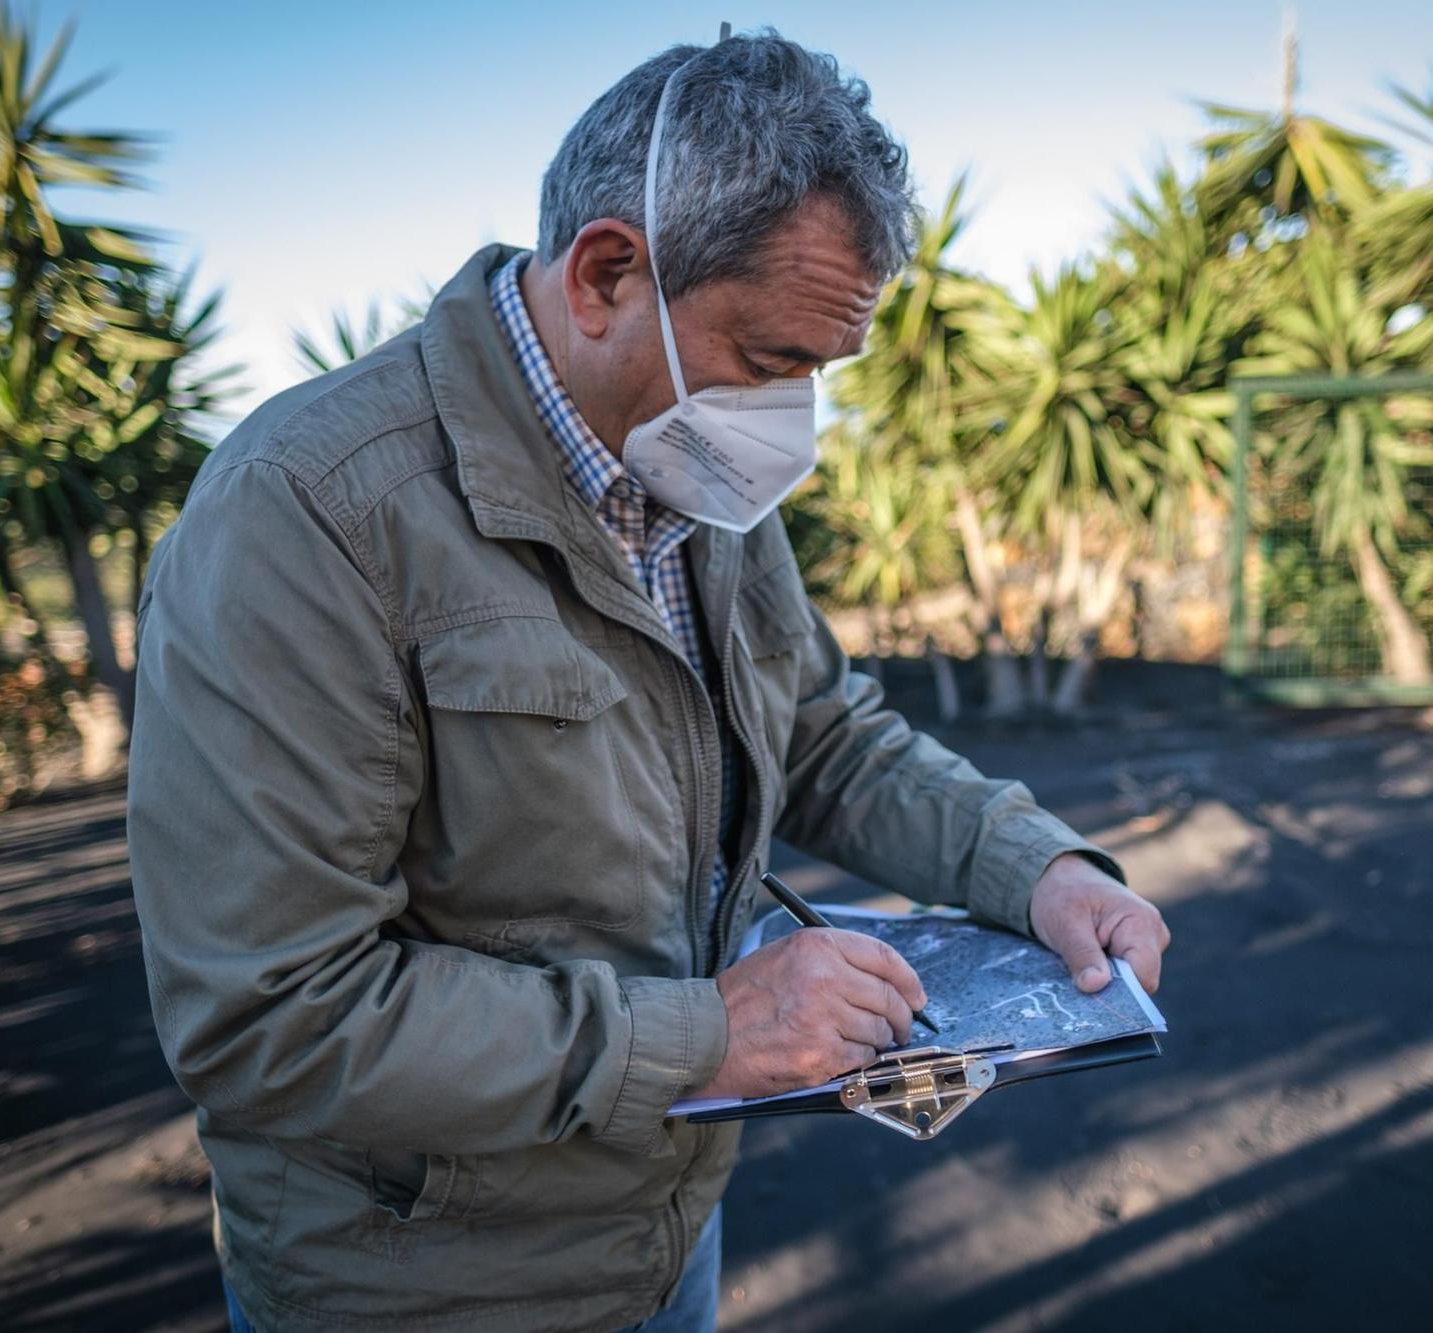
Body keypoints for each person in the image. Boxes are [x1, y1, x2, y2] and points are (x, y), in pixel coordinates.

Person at [127, 28, 1169, 1333]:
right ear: (607, 273)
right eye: (773, 360)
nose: (793, 420)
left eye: (819, 373)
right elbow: (270, 1012)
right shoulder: (310, 517)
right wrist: (708, 1034)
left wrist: (1035, 865)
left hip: (666, 1243)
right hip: (422, 1289)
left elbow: (822, 732)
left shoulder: (698, 470)